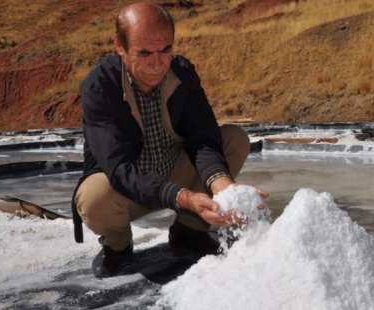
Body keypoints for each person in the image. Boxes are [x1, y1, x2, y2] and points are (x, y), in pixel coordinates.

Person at [71, 1, 268, 278]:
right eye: (144, 53)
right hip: (128, 191)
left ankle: (190, 231)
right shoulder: (100, 86)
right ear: (120, 45)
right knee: (93, 197)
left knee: (234, 138)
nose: (157, 63)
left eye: (166, 49)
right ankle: (118, 248)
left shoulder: (182, 74)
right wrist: (183, 197)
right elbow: (118, 168)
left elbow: (203, 137)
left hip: (174, 172)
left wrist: (222, 185)